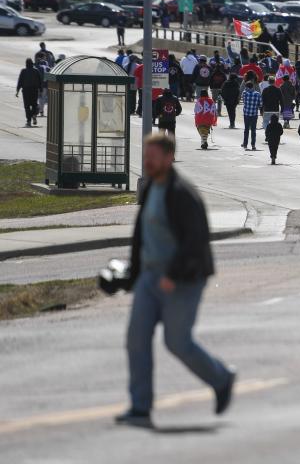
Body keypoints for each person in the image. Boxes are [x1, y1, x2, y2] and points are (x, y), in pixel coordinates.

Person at [116, 134, 235, 427]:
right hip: (149, 277)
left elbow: (196, 240)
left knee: (177, 342)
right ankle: (140, 408)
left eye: (153, 156)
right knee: (136, 339)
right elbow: (141, 236)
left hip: (183, 280)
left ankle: (222, 379)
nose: (148, 160)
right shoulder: (150, 189)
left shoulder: (182, 193)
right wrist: (131, 274)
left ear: (169, 158)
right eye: (146, 155)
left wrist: (174, 275)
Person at [15, 58, 43, 127]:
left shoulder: (23, 71)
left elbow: (20, 81)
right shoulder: (36, 71)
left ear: (26, 64)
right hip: (34, 90)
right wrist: (41, 90)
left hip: (26, 91)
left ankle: (29, 121)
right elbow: (40, 81)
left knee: (27, 106)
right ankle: (34, 115)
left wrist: (17, 91)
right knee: (34, 105)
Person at [240, 82, 261, 151]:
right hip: (254, 114)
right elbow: (260, 104)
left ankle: (245, 144)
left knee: (246, 130)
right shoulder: (257, 94)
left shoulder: (245, 93)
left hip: (246, 114)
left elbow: (242, 99)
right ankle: (253, 145)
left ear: (247, 87)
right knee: (253, 130)